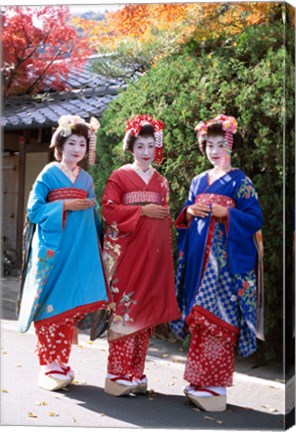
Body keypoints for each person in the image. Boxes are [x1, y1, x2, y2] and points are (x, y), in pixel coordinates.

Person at [171, 114, 264, 412]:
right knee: (200, 321)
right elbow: (185, 219)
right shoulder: (198, 180)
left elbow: (255, 219)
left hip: (225, 266)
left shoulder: (240, 181)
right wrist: (187, 213)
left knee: (220, 322)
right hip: (200, 263)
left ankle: (216, 386)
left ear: (231, 145)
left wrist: (227, 214)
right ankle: (199, 381)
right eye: (209, 144)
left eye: (220, 144)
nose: (215, 150)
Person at [18, 115, 111, 391]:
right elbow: (33, 211)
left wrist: (101, 241)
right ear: (61, 144)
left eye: (82, 144)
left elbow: (93, 219)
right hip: (53, 249)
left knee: (68, 307)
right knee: (50, 304)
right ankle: (47, 364)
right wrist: (66, 205)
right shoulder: (48, 173)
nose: (77, 149)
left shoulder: (86, 179)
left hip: (78, 249)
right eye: (72, 142)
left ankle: (61, 361)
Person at [101, 114, 181, 396]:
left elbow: (166, 223)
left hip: (152, 256)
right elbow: (109, 209)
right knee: (126, 311)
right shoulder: (119, 176)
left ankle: (136, 372)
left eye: (150, 146)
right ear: (131, 148)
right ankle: (117, 372)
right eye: (140, 147)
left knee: (144, 315)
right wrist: (142, 211)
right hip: (128, 256)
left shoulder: (161, 182)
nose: (145, 153)